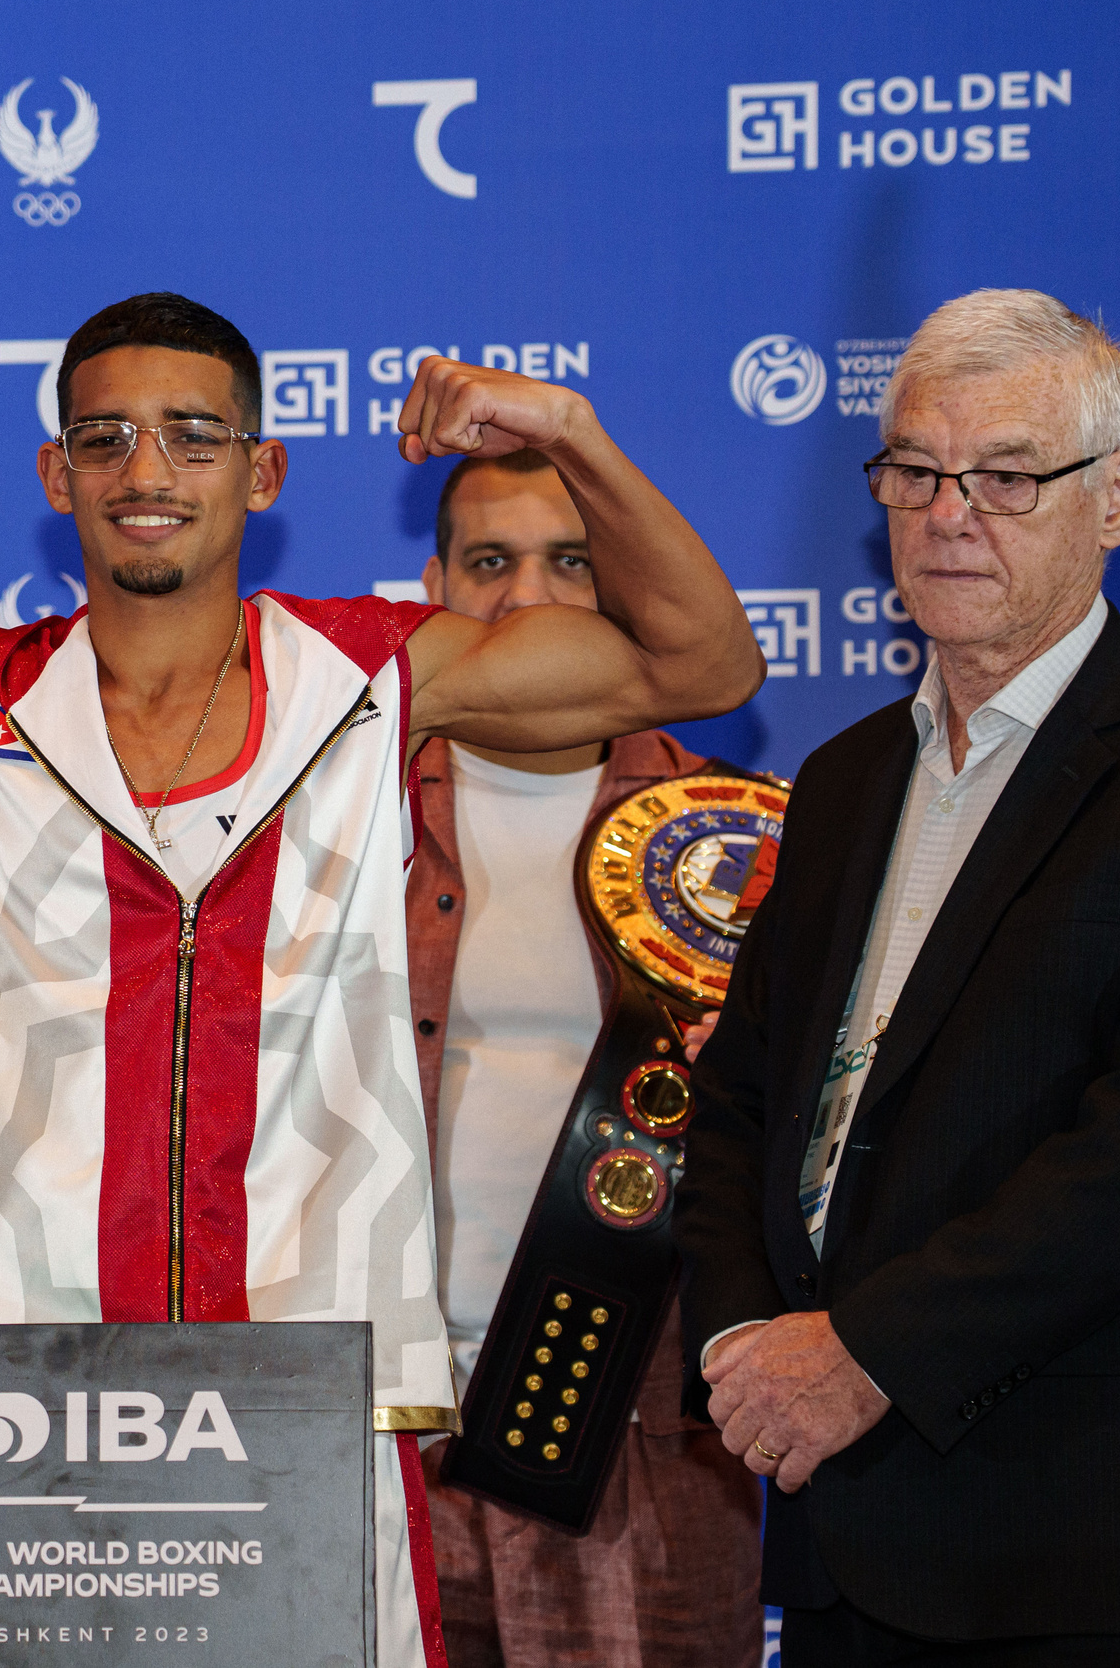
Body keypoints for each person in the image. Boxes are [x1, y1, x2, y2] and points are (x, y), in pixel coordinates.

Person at [0, 290, 762, 1665]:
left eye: (192, 436)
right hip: (33, 1390)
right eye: (103, 439)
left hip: (314, 1381)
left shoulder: (373, 677)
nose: (145, 471)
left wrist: (570, 432)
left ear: (261, 471)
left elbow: (702, 660)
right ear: (56, 476)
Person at [673, 289, 1120, 1666]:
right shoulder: (846, 777)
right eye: (915, 472)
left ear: (1117, 496)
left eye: (1006, 476)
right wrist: (746, 1341)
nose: (948, 514)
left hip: (1080, 1540)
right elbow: (745, 1097)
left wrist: (868, 1352)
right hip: (837, 1527)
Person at [407, 450, 761, 1667]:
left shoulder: (738, 841)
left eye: (570, 560)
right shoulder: (334, 815)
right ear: (431, 588)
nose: (529, 597)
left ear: (627, 584)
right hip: (382, 1429)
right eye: (489, 561)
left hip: (646, 1442)